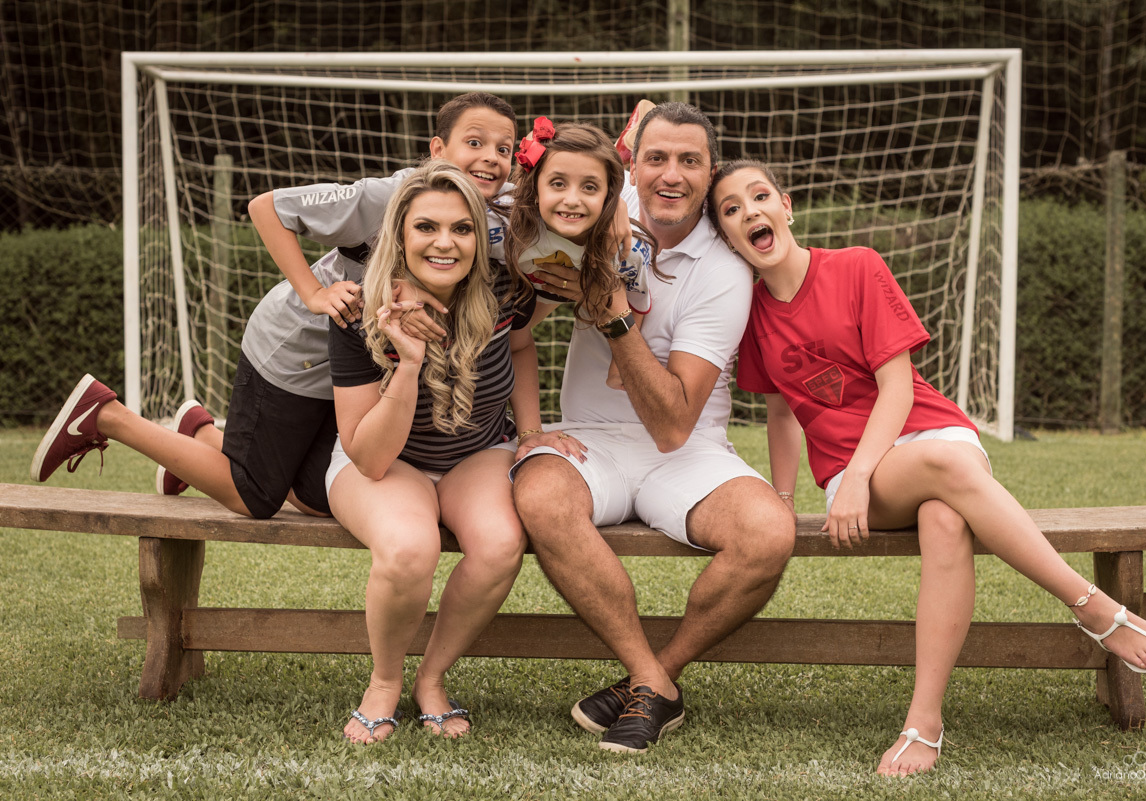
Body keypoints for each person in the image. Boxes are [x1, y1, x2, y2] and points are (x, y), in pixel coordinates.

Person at [708, 159, 1146, 776]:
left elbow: (899, 390)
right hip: (865, 482)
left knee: (943, 518)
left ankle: (923, 724)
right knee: (941, 474)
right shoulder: (751, 315)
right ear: (726, 236)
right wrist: (785, 494)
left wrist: (859, 472)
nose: (749, 211)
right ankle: (1092, 607)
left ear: (788, 206)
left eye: (760, 196)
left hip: (933, 438)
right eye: (730, 209)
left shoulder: (856, 266)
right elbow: (779, 415)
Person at [30, 93, 519, 521]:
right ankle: (108, 415)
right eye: (473, 143)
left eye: (504, 149)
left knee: (317, 491)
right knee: (255, 494)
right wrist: (314, 294)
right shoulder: (387, 196)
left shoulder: (497, 209)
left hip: (358, 358)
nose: (490, 158)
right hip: (299, 349)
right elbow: (268, 206)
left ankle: (198, 436)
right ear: (437, 150)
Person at [510, 103, 798, 754]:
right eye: (657, 158)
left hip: (685, 450)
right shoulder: (590, 212)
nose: (672, 174)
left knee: (768, 531)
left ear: (710, 172)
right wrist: (555, 265)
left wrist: (615, 318)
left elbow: (672, 425)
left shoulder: (724, 271)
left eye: (689, 161)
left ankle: (653, 673)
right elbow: (516, 325)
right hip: (590, 439)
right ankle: (652, 679)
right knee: (539, 495)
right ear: (631, 166)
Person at [327, 160, 582, 743]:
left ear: (478, 237)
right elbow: (368, 457)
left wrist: (531, 431)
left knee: (497, 546)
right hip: (386, 461)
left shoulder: (504, 289)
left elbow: (519, 351)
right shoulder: (359, 310)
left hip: (477, 451)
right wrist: (408, 364)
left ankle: (433, 679)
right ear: (400, 233)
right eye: (427, 227)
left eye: (461, 228)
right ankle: (384, 681)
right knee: (408, 548)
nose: (445, 243)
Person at [505, 117, 665, 389]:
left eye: (589, 188)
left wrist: (619, 362)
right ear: (534, 190)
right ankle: (620, 152)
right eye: (557, 184)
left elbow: (637, 301)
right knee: (502, 341)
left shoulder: (629, 252)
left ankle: (626, 155)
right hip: (545, 273)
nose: (571, 199)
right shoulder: (506, 228)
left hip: (592, 251)